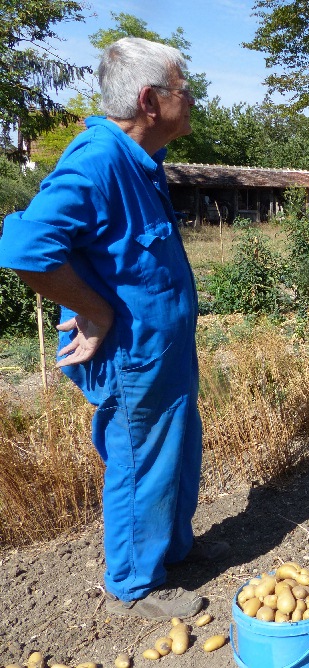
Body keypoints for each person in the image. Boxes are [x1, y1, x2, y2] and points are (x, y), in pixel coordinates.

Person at [0, 37, 228, 620]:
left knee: (174, 450)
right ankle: (134, 582)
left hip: (164, 350)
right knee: (141, 458)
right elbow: (26, 248)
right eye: (184, 89)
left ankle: (171, 551)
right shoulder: (98, 159)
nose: (193, 98)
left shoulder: (140, 161)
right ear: (151, 101)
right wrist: (96, 311)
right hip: (131, 354)